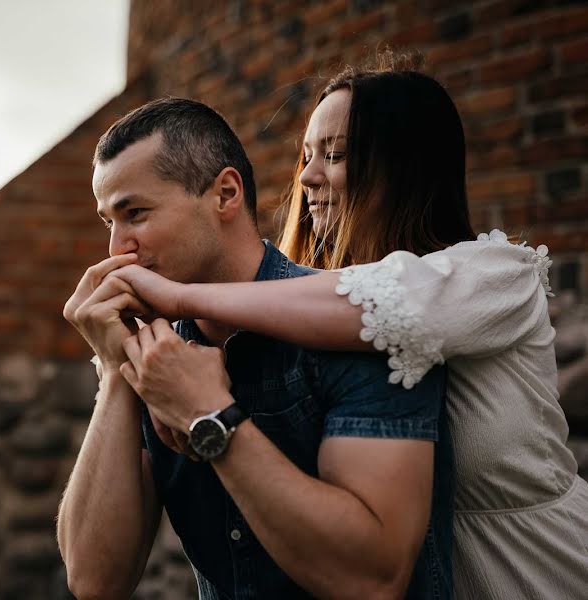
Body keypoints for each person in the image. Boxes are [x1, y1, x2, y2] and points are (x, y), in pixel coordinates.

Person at [109, 59, 588, 599]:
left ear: (406, 165)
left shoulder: (497, 275)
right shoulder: (297, 305)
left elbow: (393, 305)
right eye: (306, 156)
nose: (308, 176)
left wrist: (176, 299)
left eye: (334, 155)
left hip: (545, 572)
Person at [57, 96, 454, 599]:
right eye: (107, 221)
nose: (117, 249)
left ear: (225, 194)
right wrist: (117, 371)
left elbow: (371, 578)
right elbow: (95, 581)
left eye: (134, 213)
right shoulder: (150, 350)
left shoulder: (362, 326)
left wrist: (208, 416)